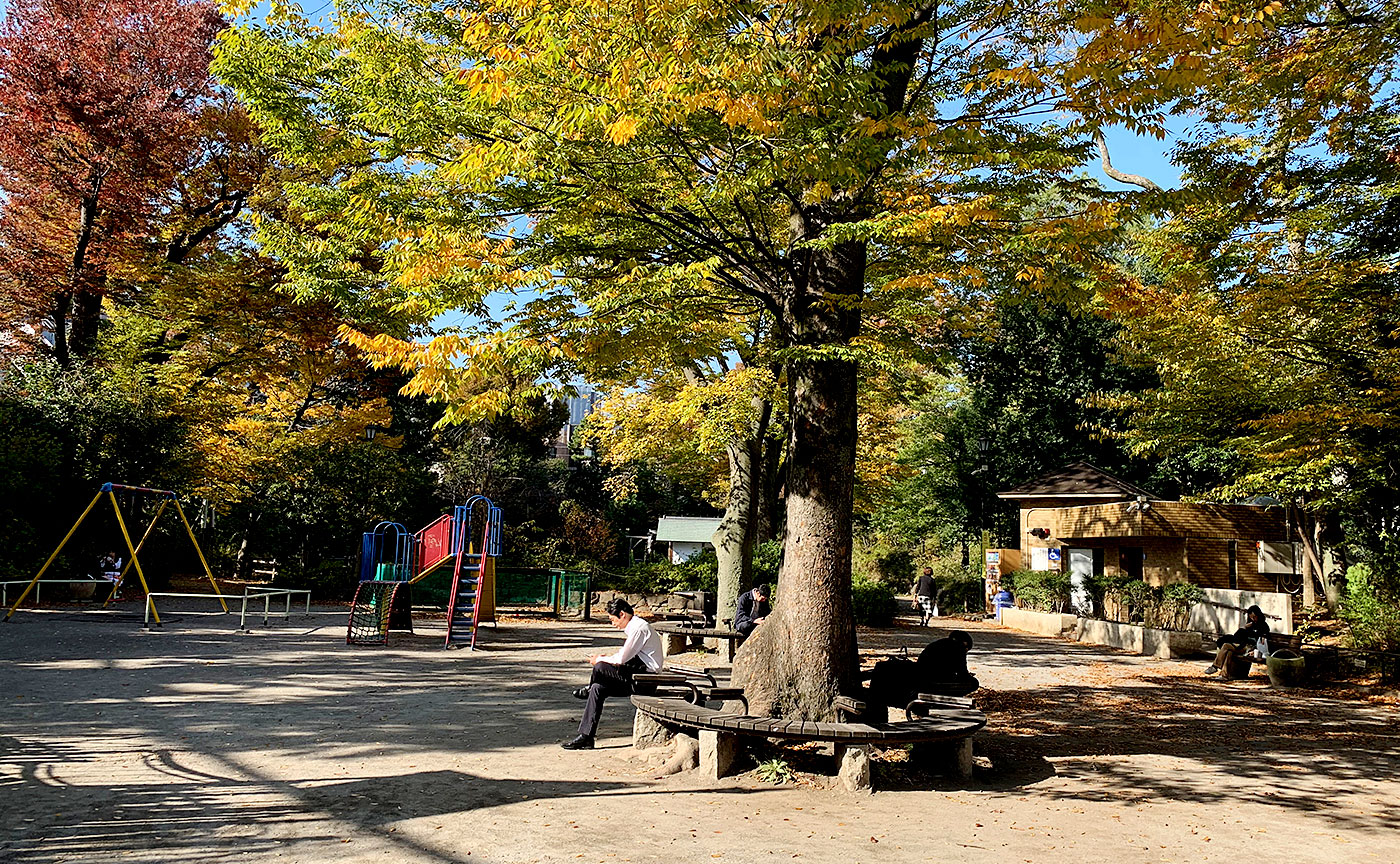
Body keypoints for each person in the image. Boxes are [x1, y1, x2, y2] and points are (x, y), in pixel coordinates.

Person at [562, 597, 663, 750]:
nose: (613, 624)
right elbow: (625, 657)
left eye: (612, 619)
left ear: (622, 614)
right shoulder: (635, 626)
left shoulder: (638, 628)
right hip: (636, 675)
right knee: (598, 688)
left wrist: (600, 660)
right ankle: (586, 736)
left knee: (600, 667)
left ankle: (588, 690)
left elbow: (622, 658)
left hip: (645, 680)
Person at [866, 630, 979, 709]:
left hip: (921, 679)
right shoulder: (958, 648)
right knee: (974, 683)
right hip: (933, 684)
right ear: (964, 644)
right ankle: (947, 701)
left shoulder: (936, 645)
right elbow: (962, 673)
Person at [1204, 605, 1270, 676]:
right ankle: (1224, 675)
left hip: (1248, 649)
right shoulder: (1250, 625)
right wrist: (1245, 627)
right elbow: (1238, 635)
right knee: (1229, 650)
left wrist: (1254, 649)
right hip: (1241, 645)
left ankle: (1215, 667)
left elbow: (1262, 642)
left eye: (1254, 617)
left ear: (1258, 615)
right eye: (1251, 617)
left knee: (1226, 646)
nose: (1253, 619)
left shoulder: (1263, 626)